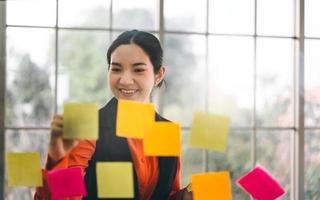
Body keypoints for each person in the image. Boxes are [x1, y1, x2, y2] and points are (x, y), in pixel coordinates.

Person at [34, 30, 193, 200]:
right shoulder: (88, 127)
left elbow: (164, 195)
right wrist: (56, 160)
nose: (125, 80)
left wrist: (188, 195)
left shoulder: (166, 131)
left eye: (138, 70)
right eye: (116, 69)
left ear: (158, 75)